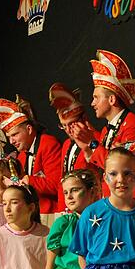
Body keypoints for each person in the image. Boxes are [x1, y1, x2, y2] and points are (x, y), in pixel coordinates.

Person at [0, 98, 62, 214]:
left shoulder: (48, 144)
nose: (11, 141)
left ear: (29, 129)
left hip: (49, 214)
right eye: (8, 137)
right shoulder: (21, 155)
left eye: (15, 135)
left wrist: (29, 180)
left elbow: (57, 185)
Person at [86, 50, 135, 174]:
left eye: (96, 98)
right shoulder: (106, 130)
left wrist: (92, 143)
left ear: (111, 99)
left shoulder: (133, 124)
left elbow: (123, 167)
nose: (92, 103)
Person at [49, 82, 100, 212]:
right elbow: (63, 181)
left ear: (83, 118)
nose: (67, 130)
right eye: (63, 126)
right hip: (69, 209)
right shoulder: (66, 144)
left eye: (71, 124)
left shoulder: (97, 139)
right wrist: (62, 211)